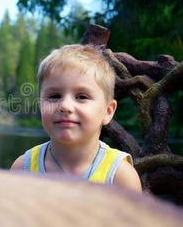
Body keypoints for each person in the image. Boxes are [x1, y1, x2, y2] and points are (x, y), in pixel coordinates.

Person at [11, 44, 142, 192]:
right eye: (54, 96)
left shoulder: (120, 177)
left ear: (108, 111)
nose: (65, 106)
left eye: (81, 97)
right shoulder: (23, 168)